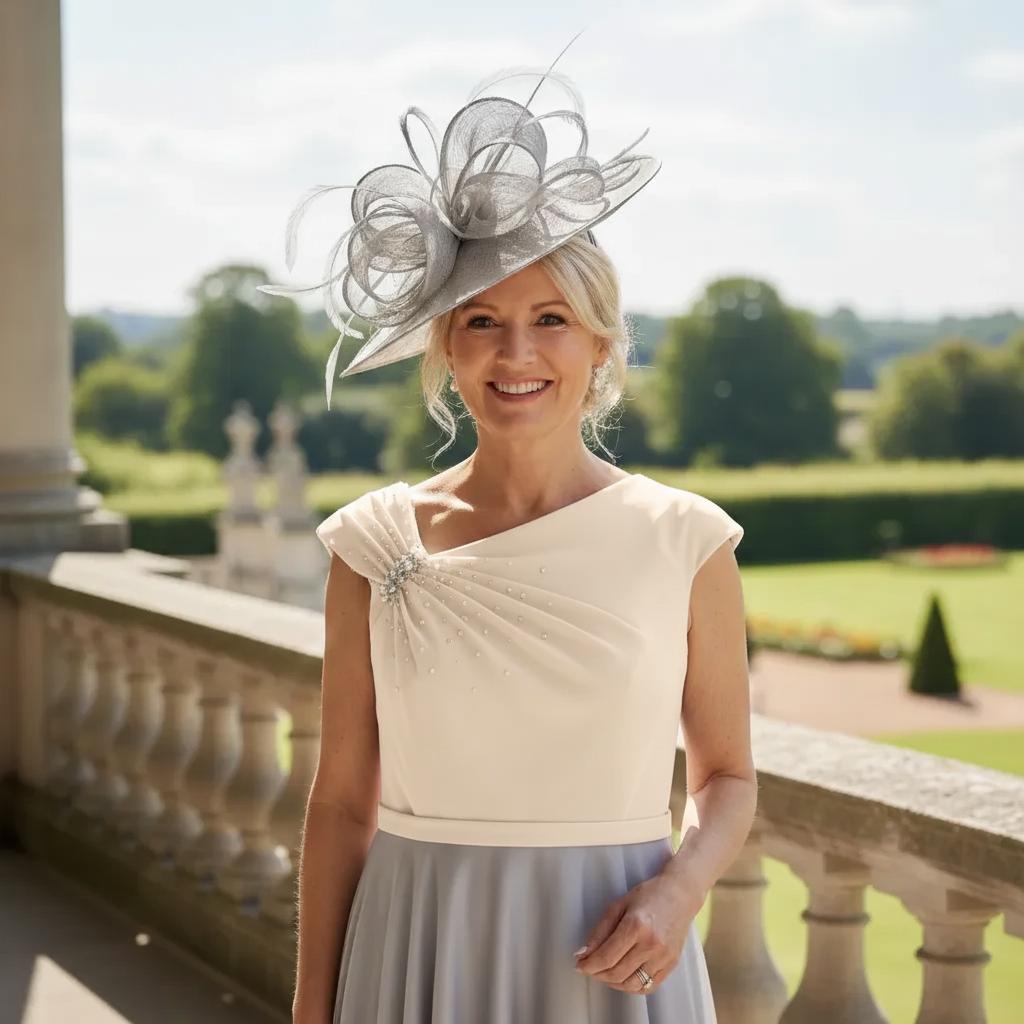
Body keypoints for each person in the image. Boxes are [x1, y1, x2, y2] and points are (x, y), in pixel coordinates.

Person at [263, 35, 757, 1024]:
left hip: (615, 951)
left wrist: (679, 888)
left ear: (600, 346)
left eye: (552, 320)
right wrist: (313, 1007)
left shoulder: (684, 539)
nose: (516, 352)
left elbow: (728, 775)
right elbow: (339, 803)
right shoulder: (373, 544)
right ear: (445, 350)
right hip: (418, 939)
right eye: (481, 321)